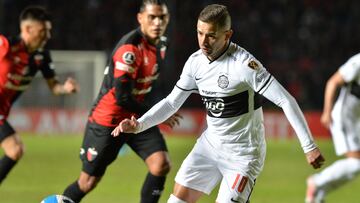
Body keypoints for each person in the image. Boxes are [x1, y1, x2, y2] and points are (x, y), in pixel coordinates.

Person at [112, 4, 325, 203]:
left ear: (228, 35)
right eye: (200, 33)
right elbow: (171, 103)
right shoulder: (195, 62)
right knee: (177, 198)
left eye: (211, 36)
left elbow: (285, 100)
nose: (204, 41)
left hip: (243, 155)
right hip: (210, 145)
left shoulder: (244, 65)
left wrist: (309, 147)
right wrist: (138, 125)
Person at [62, 1, 181, 203]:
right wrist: (159, 113)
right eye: (152, 17)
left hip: (137, 117)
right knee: (87, 182)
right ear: (140, 18)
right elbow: (122, 97)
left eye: (162, 17)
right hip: (108, 120)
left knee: (160, 163)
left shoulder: (162, 44)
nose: (157, 22)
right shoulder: (130, 49)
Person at [0, 6, 79, 186]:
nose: (48, 36)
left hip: (3, 112)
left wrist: (65, 88)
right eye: (43, 31)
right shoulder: (6, 46)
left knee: (15, 150)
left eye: (49, 31)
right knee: (15, 149)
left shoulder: (41, 56)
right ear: (27, 29)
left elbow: (54, 87)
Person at [305, 54, 360, 203]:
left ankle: (318, 194)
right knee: (356, 164)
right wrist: (327, 111)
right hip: (344, 117)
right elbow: (333, 82)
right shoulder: (358, 62)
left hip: (356, 120)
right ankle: (317, 183)